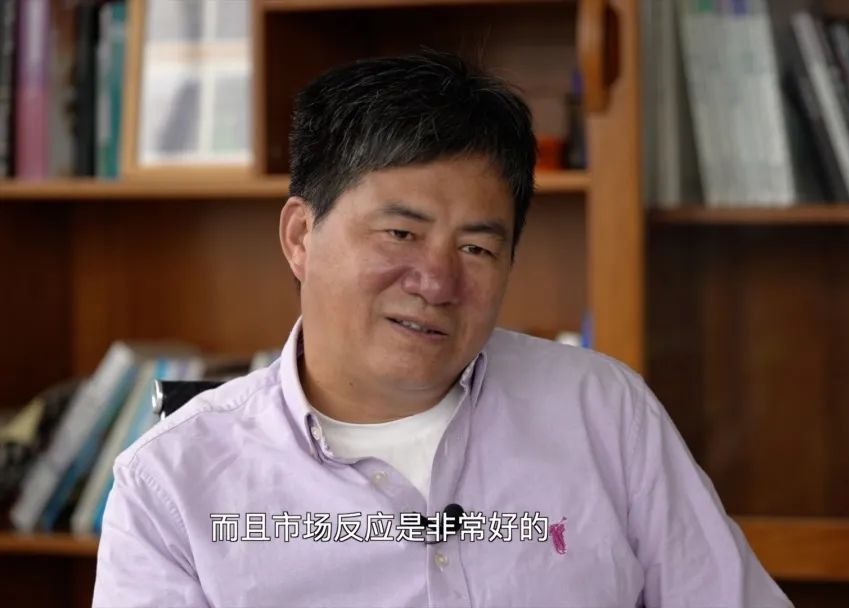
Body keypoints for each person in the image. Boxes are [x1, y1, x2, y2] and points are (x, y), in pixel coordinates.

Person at [93, 50, 792, 608]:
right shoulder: (172, 485)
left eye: (477, 248)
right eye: (401, 233)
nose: (437, 281)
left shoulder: (601, 411)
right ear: (301, 235)